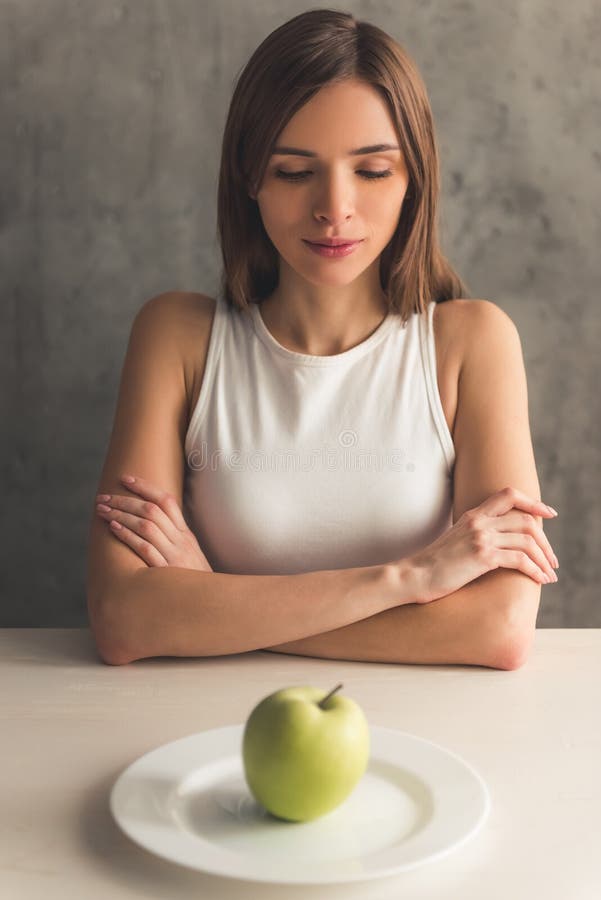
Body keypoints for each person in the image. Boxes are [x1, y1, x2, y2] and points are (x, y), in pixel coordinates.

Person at [86, 9, 559, 668]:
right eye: (292, 171)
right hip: (213, 728)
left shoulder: (471, 343)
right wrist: (408, 580)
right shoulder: (176, 337)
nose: (333, 208)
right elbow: (123, 617)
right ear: (249, 177)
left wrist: (208, 603)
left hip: (439, 731)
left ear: (412, 179)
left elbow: (497, 629)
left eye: (371, 170)